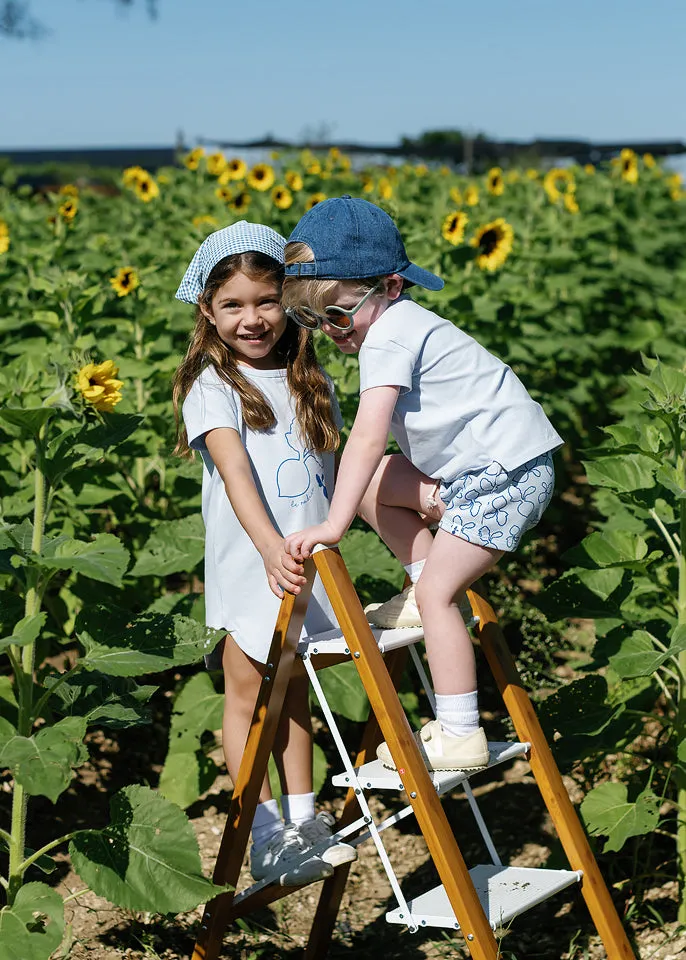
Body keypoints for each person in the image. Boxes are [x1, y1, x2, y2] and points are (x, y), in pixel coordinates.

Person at [280, 197, 563, 774]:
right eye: (312, 321)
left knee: (442, 597)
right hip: (482, 472)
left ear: (387, 287)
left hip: (503, 475)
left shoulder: (391, 336)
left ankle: (461, 731)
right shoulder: (392, 325)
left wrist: (332, 527)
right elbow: (366, 462)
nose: (329, 332)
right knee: (362, 485)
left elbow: (365, 434)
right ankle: (417, 584)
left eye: (335, 316)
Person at [172, 221, 356, 885]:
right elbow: (239, 478)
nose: (252, 319)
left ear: (290, 299)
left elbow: (334, 476)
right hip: (257, 561)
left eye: (266, 300)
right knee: (250, 690)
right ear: (208, 310)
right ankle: (263, 825)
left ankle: (304, 818)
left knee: (292, 688)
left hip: (308, 563)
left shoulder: (311, 381)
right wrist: (272, 547)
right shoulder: (214, 390)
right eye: (234, 305)